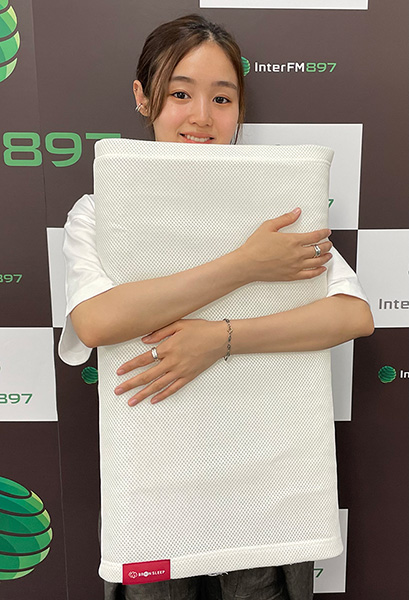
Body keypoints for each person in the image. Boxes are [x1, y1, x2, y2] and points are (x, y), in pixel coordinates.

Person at [58, 13, 374, 600]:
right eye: (180, 93)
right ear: (142, 97)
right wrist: (246, 264)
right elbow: (97, 320)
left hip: (267, 484)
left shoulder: (277, 204)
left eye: (222, 98)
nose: (202, 116)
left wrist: (221, 338)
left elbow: (351, 315)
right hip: (156, 490)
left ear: (239, 107)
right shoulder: (101, 211)